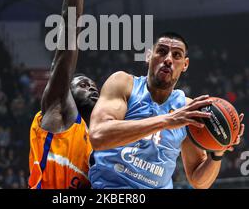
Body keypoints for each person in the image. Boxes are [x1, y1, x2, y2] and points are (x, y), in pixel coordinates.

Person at [89, 32, 245, 189]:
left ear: (185, 64)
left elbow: (199, 181)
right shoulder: (123, 83)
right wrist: (167, 120)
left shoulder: (188, 109)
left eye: (176, 55)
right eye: (162, 51)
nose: (168, 59)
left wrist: (218, 152)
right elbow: (98, 136)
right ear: (149, 56)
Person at [28, 0, 103, 189]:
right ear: (66, 89)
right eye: (83, 84)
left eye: (93, 84)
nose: (92, 87)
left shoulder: (94, 139)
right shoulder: (59, 109)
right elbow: (69, 35)